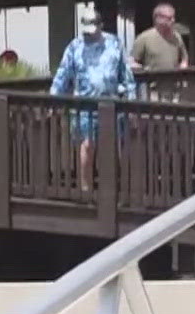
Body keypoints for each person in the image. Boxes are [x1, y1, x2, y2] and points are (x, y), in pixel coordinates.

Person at [51, 11, 137, 189]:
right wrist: (53, 98)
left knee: (111, 150)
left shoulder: (114, 43)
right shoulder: (75, 47)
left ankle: (111, 190)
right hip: (84, 106)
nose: (89, 34)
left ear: (101, 26)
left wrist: (132, 99)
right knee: (87, 146)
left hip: (112, 104)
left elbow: (126, 74)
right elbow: (62, 74)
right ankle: (85, 189)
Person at [131, 2, 190, 71]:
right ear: (158, 19)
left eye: (173, 17)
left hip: (173, 80)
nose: (173, 20)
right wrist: (143, 69)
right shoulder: (144, 38)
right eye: (169, 18)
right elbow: (132, 62)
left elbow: (184, 58)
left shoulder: (177, 37)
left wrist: (183, 67)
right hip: (152, 81)